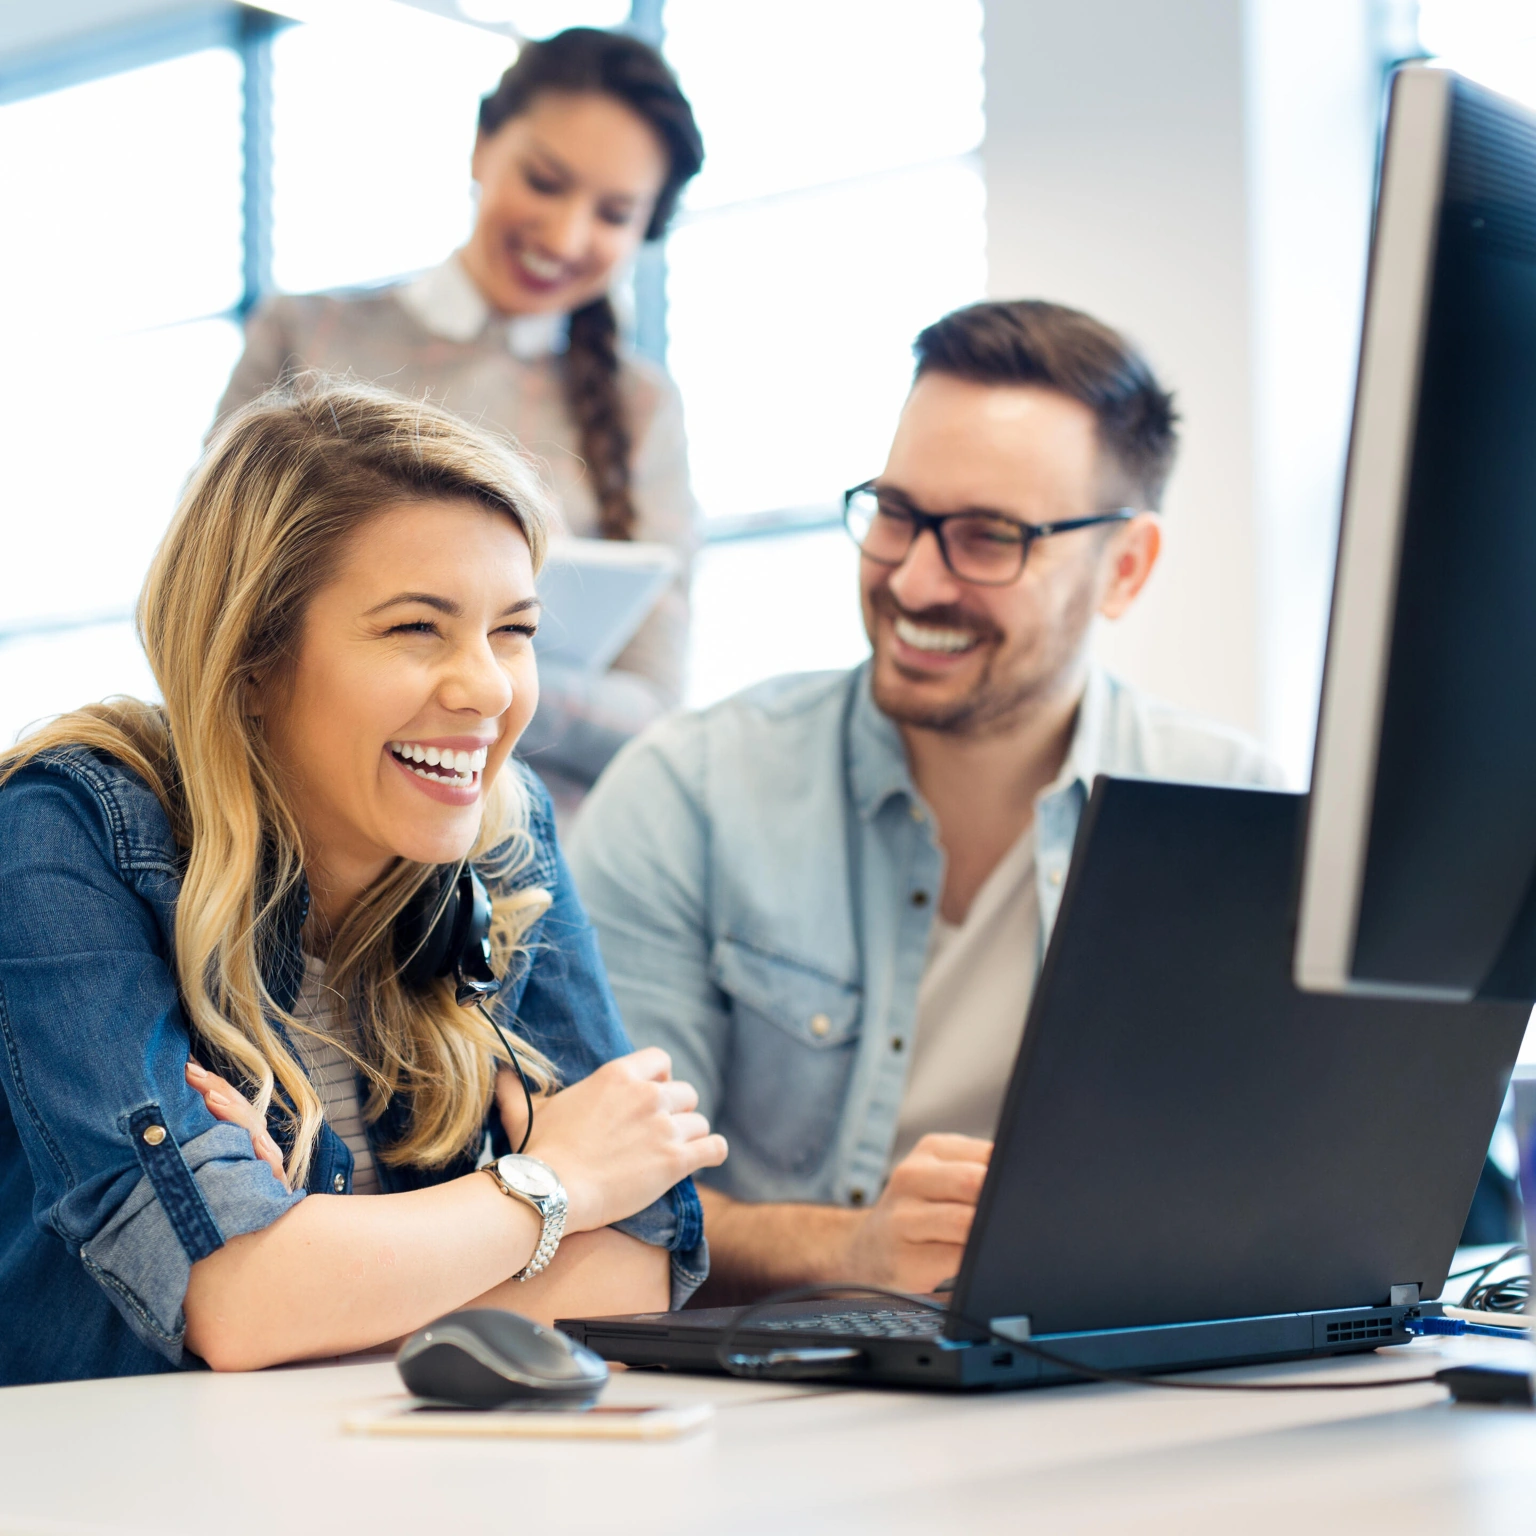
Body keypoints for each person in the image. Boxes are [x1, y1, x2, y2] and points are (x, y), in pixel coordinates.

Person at [0, 381, 726, 1387]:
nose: (487, 689)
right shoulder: (68, 829)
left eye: (513, 630)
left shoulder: (504, 838)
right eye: (418, 629)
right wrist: (553, 1183)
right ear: (253, 658)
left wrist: (312, 1259)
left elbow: (637, 1265)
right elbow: (238, 1303)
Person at [567, 299, 1284, 1305]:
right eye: (897, 513)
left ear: (1124, 568)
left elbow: (1298, 1199)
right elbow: (606, 1202)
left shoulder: (1242, 819)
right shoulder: (688, 793)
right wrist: (852, 1249)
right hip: (777, 1415)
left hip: (1118, 1391)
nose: (913, 577)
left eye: (988, 537)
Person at [217, 28, 705, 808]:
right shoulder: (306, 339)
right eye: (545, 182)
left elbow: (654, 713)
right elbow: (205, 608)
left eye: (614, 214)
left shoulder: (643, 410)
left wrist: (469, 661)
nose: (567, 235)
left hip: (530, 866)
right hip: (297, 823)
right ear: (482, 145)